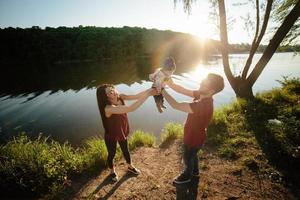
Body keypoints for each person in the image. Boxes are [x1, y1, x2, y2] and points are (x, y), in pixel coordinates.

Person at [161, 73, 224, 185]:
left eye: (205, 83)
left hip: (194, 137)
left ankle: (187, 176)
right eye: (203, 80)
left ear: (211, 91)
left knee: (187, 156)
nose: (201, 82)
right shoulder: (201, 94)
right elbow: (181, 89)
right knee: (192, 155)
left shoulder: (203, 105)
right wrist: (168, 81)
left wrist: (162, 90)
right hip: (193, 134)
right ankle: (195, 172)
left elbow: (176, 105)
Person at [96, 84, 155, 182]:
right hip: (111, 135)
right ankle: (112, 171)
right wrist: (148, 95)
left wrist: (150, 89)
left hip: (121, 131)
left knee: (126, 150)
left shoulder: (120, 97)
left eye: (113, 89)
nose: (114, 92)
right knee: (112, 154)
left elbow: (136, 96)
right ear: (105, 96)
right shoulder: (108, 108)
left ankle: (130, 166)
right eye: (110, 92)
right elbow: (130, 108)